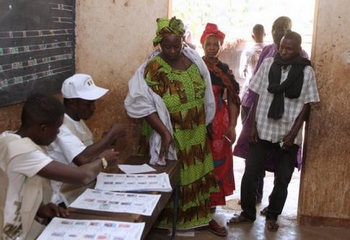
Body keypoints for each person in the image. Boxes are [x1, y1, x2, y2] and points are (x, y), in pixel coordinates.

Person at [124, 17, 227, 237]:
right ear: (159, 43)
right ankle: (166, 223)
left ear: (183, 42)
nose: (172, 51)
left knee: (196, 176)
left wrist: (205, 121)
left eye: (176, 46)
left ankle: (199, 219)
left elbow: (206, 93)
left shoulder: (193, 61)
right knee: (172, 176)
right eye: (166, 46)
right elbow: (143, 103)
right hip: (171, 132)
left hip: (196, 132)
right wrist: (163, 131)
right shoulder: (153, 67)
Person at [228, 31, 320, 231]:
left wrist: (293, 134)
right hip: (262, 128)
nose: (284, 52)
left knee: (283, 179)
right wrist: (252, 126)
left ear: (298, 50)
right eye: (282, 47)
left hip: (288, 132)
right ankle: (247, 213)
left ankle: (272, 215)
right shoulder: (269, 64)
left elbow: (307, 106)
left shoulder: (306, 72)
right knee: (251, 173)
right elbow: (258, 95)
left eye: (290, 48)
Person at [0, 93, 118, 240]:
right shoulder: (23, 151)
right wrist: (103, 161)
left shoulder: (8, 138)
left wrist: (39, 210)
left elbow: (15, 187)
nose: (57, 136)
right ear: (43, 128)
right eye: (56, 130)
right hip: (10, 231)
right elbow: (81, 176)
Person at [234, 16, 309, 207]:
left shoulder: (303, 62)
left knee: (281, 170)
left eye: (283, 28)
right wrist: (252, 122)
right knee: (252, 164)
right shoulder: (267, 54)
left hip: (287, 123)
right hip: (259, 116)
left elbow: (307, 100)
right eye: (275, 28)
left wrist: (294, 132)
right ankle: (252, 201)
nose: (278, 32)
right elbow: (256, 87)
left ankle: (272, 209)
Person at [43, 73, 125, 207]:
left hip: (83, 189)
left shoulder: (77, 121)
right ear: (72, 103)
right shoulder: (60, 126)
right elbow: (82, 159)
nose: (93, 108)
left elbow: (88, 152)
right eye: (88, 104)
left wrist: (105, 142)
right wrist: (112, 134)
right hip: (64, 198)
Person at [200, 23, 240, 209]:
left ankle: (214, 202)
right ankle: (199, 199)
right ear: (203, 46)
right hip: (200, 120)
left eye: (216, 44)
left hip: (220, 121)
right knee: (201, 158)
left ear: (220, 47)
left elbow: (233, 99)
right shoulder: (196, 67)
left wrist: (232, 125)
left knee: (219, 159)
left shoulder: (224, 69)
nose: (212, 48)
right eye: (209, 44)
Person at [239, 24, 266, 122]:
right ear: (265, 34)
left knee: (246, 125)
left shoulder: (248, 53)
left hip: (249, 95)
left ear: (252, 36)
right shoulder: (270, 52)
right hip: (264, 97)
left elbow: (242, 74)